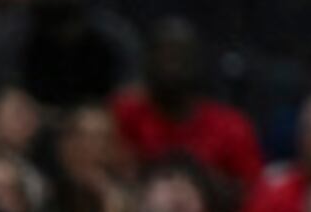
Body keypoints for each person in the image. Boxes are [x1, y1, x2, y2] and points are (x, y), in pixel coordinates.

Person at [109, 22, 261, 202]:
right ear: (148, 61)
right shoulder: (124, 113)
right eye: (164, 54)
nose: (171, 65)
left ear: (197, 63)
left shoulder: (231, 126)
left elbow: (253, 194)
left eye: (179, 55)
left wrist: (203, 181)